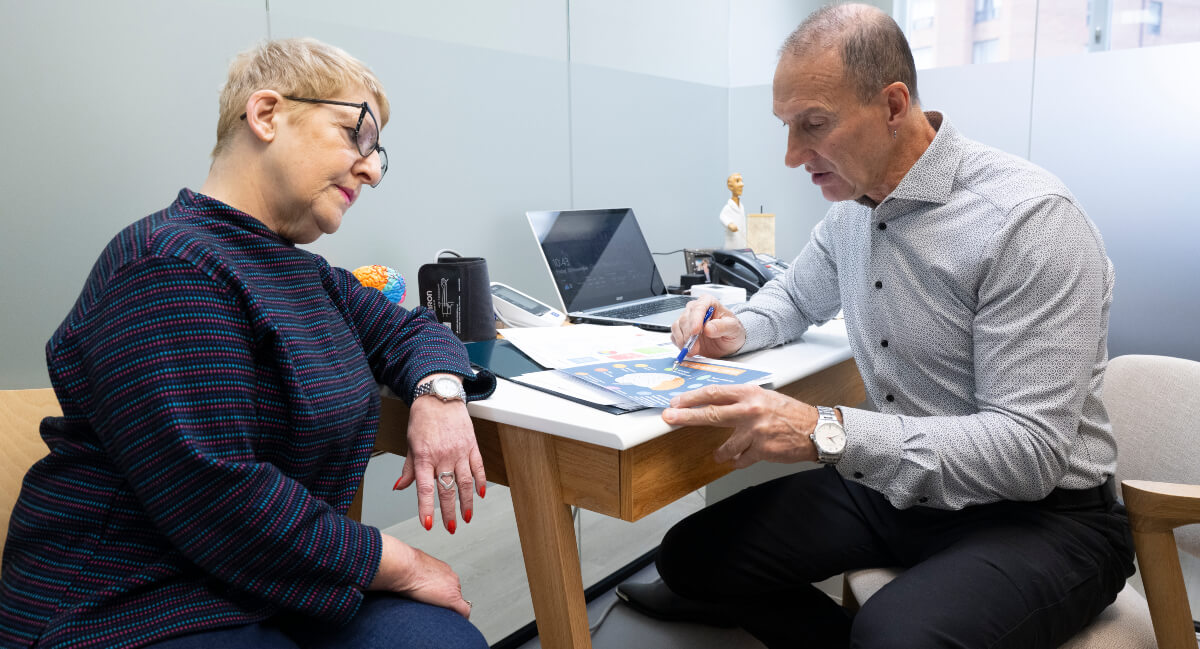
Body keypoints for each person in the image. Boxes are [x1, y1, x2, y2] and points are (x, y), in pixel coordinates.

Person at [654, 5, 1133, 648]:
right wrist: (734, 326)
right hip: (904, 491)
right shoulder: (854, 206)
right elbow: (794, 298)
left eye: (813, 125)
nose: (793, 155)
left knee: (896, 637)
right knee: (690, 558)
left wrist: (826, 430)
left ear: (892, 104)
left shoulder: (1029, 222)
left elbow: (1028, 453)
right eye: (787, 128)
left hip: (1046, 516)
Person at [0, 38, 495, 649]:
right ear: (265, 115)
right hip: (131, 600)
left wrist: (438, 394)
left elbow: (412, 329)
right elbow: (219, 496)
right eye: (355, 134)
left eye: (378, 154)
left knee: (444, 642)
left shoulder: (302, 273)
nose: (370, 168)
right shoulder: (168, 264)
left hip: (267, 580)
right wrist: (404, 563)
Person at [719, 172, 747, 249]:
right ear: (730, 186)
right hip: (732, 245)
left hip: (742, 244)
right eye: (738, 181)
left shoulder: (741, 207)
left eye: (742, 181)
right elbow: (722, 216)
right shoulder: (728, 207)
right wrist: (729, 224)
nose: (742, 184)